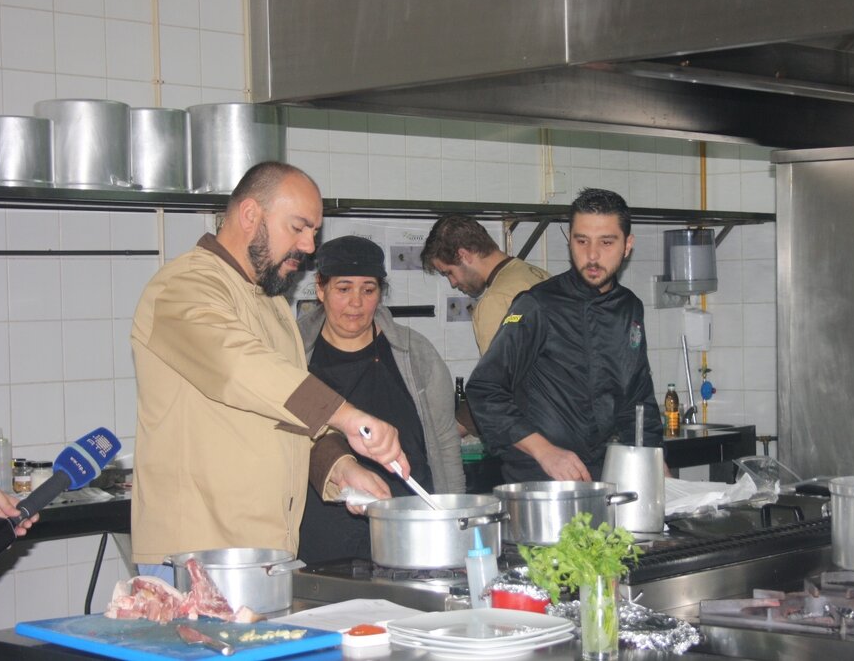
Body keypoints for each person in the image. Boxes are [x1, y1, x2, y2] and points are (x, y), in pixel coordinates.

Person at [130, 162, 407, 578]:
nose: (309, 246)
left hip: (265, 552)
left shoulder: (271, 303)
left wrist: (341, 468)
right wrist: (347, 415)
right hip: (195, 556)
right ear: (249, 216)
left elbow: (290, 414)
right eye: (297, 228)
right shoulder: (183, 287)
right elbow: (239, 367)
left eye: (314, 232)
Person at [466, 188, 663, 483]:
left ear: (627, 245)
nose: (592, 255)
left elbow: (639, 398)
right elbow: (484, 391)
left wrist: (655, 463)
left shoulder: (629, 307)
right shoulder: (537, 305)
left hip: (601, 471)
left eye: (606, 242)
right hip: (540, 476)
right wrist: (545, 451)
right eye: (581, 241)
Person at [297, 236, 465, 562]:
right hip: (320, 548)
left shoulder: (415, 354)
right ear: (321, 289)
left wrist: (454, 523)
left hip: (410, 540)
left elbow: (445, 445)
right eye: (343, 289)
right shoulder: (293, 356)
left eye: (368, 290)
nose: (356, 303)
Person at [420, 214, 549, 355]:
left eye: (449, 272)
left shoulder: (495, 301)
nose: (453, 283)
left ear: (464, 255)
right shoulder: (539, 275)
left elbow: (497, 375)